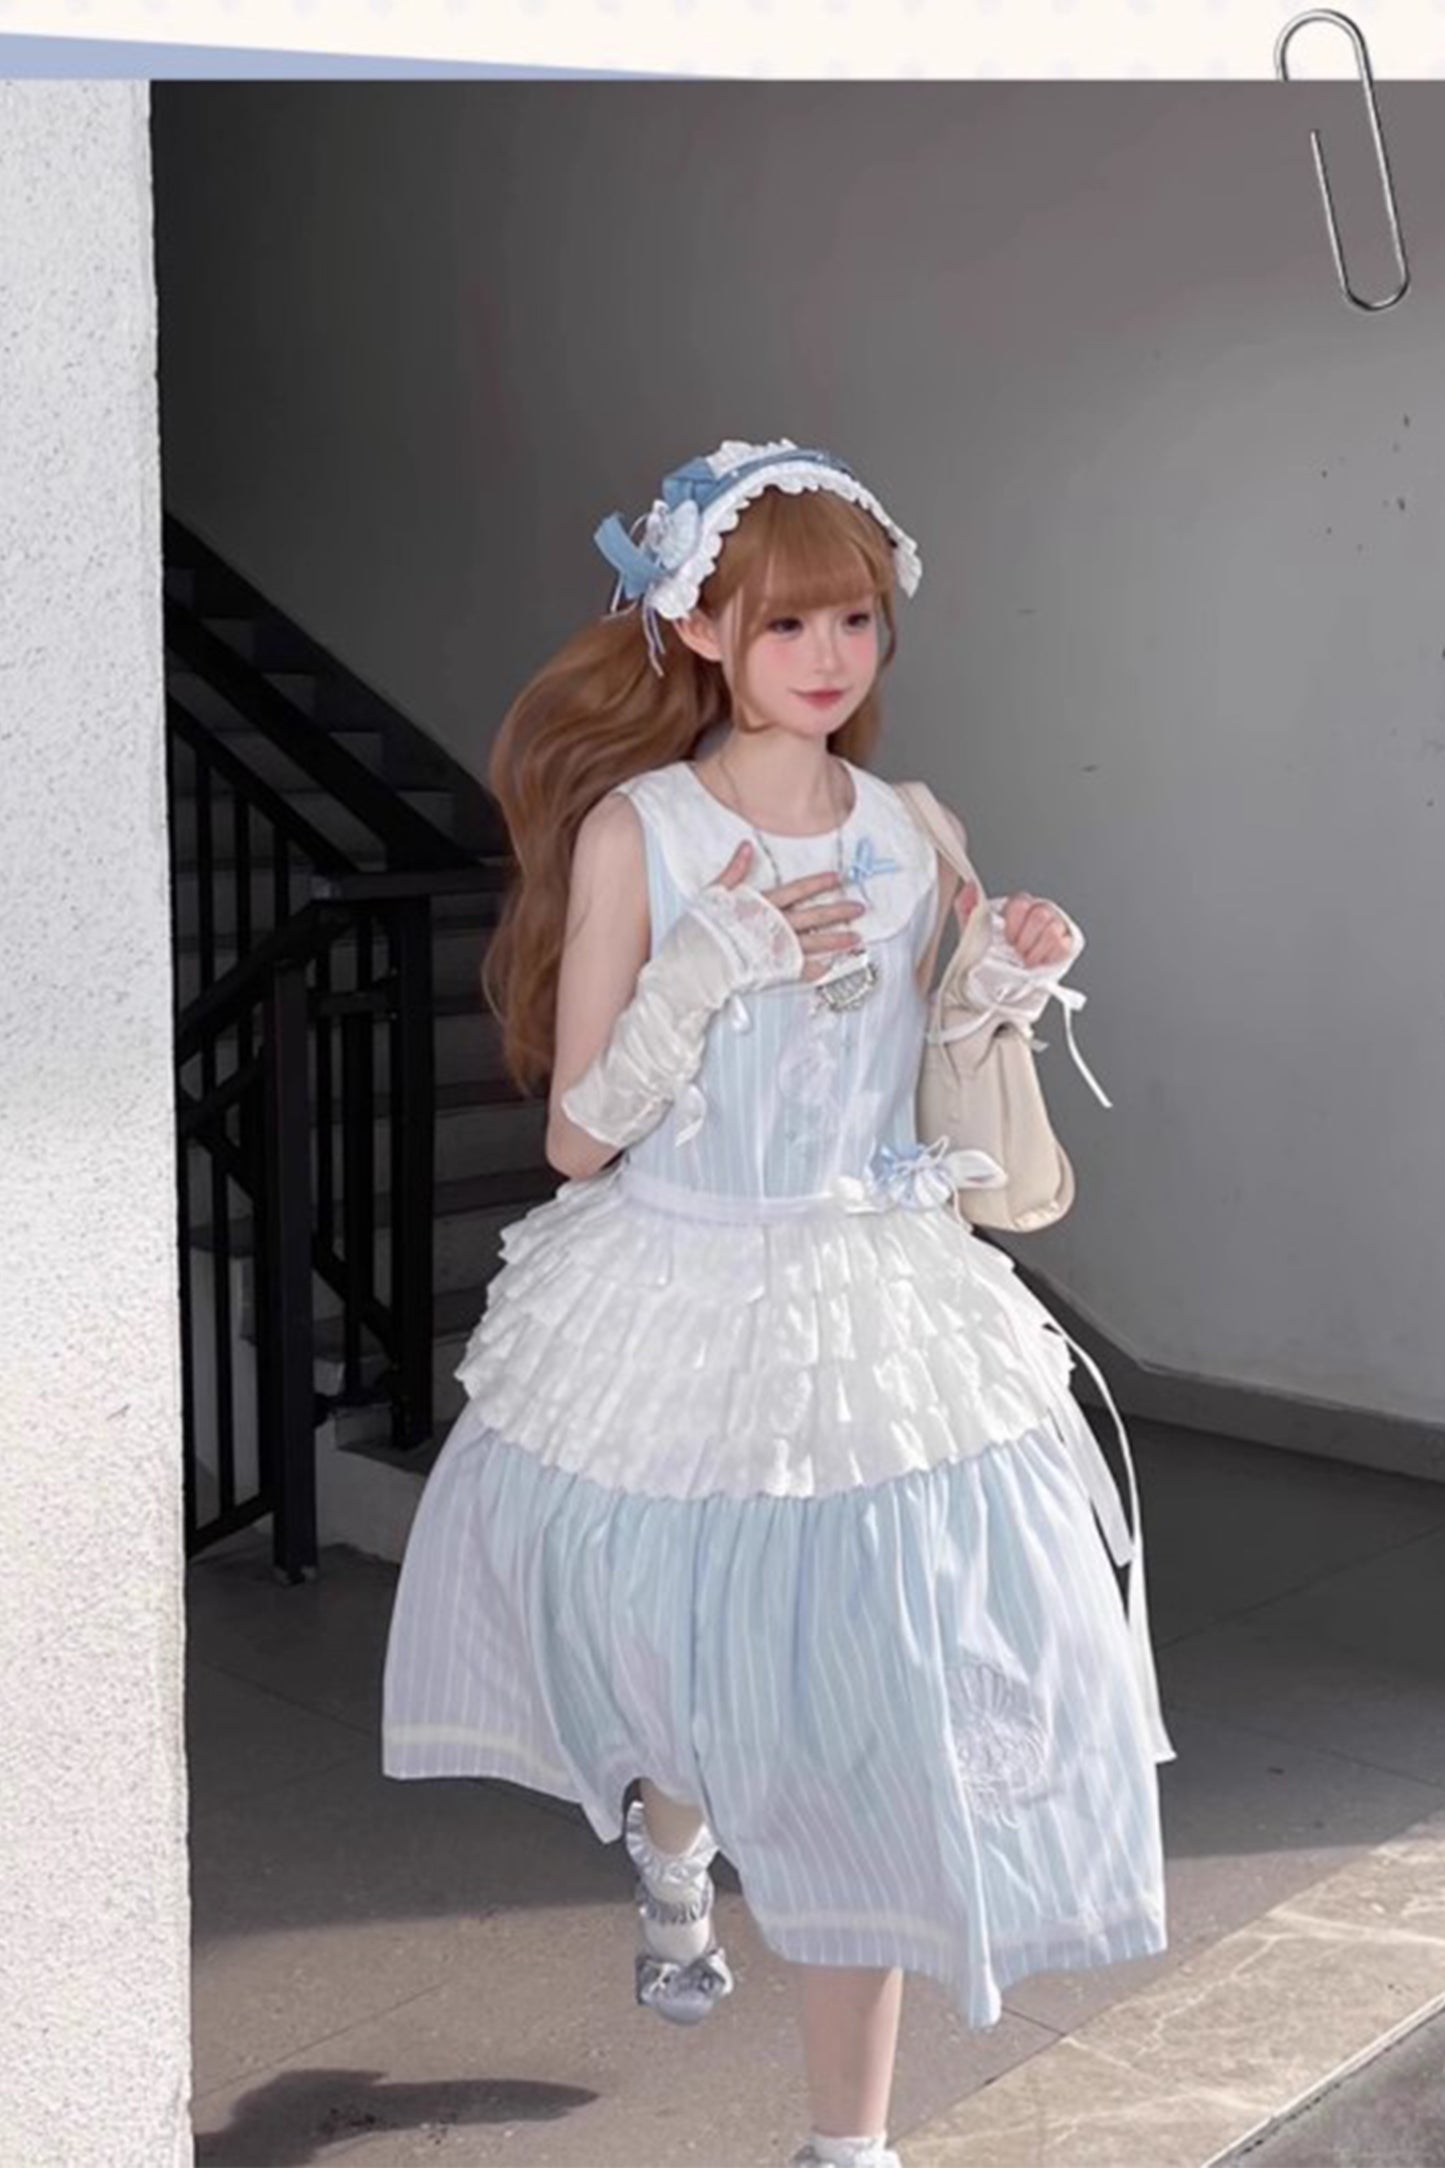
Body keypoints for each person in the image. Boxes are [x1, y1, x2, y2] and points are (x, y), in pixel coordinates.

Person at [381, 436, 1176, 2168]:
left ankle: (848, 2146)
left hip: (877, 1315)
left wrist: (995, 987)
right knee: (694, 1660)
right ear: (698, 630)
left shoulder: (913, 826)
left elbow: (943, 1108)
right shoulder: (642, 831)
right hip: (679, 1293)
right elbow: (577, 1138)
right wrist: (699, 972)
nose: (830, 656)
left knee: (866, 1734)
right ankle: (674, 1841)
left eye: (856, 620)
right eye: (788, 621)